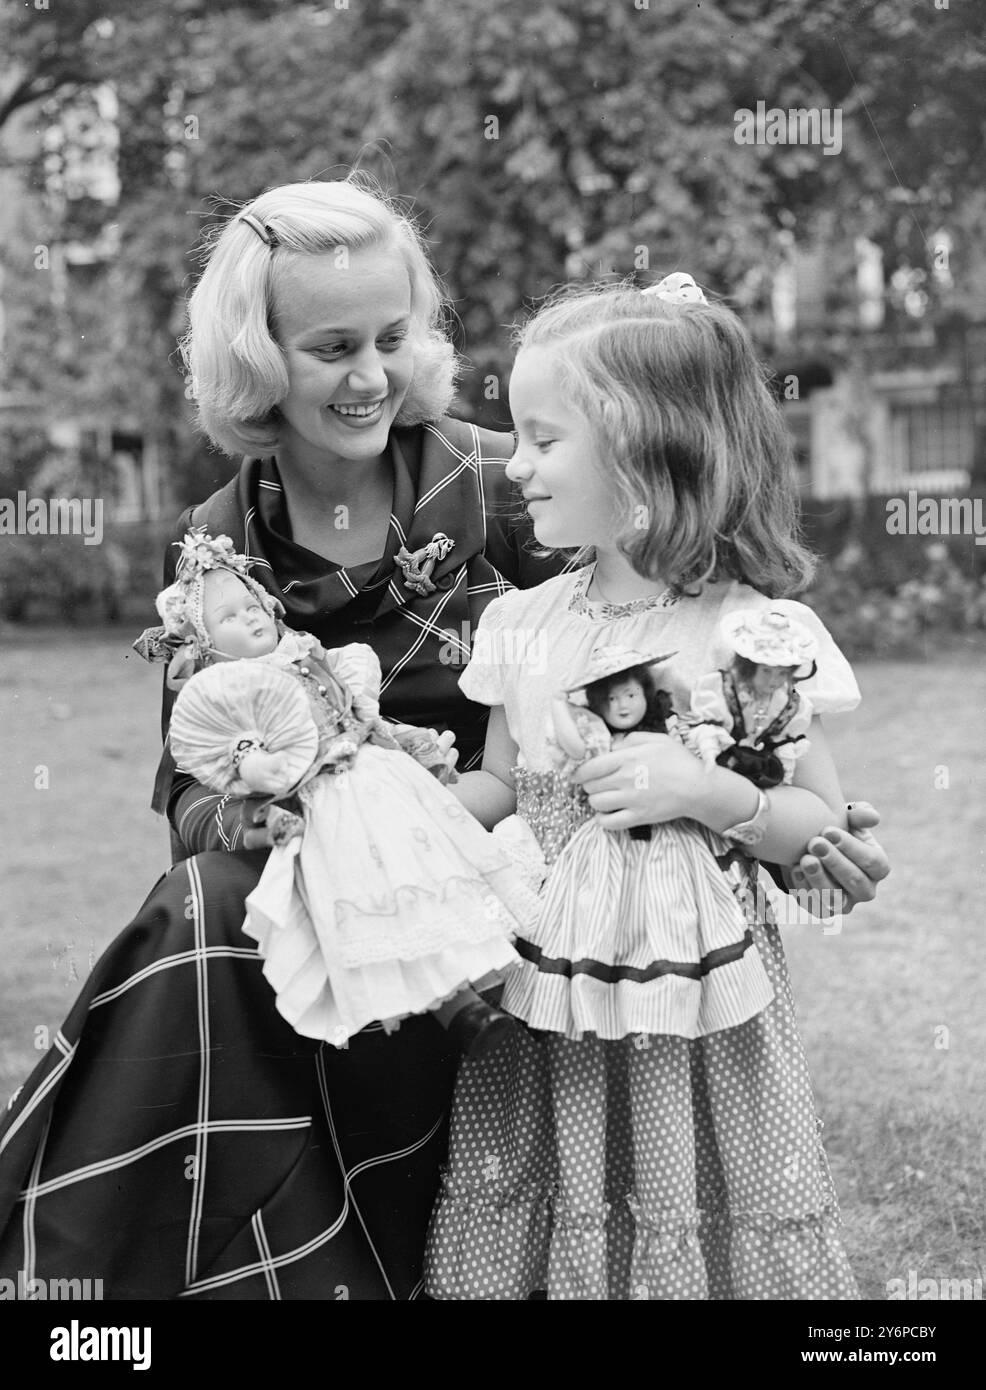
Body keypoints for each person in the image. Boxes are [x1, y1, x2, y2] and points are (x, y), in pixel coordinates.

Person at [0, 180, 888, 1300]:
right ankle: (71, 1284)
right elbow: (190, 796)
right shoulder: (216, 547)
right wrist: (284, 810)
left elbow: (686, 633)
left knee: (214, 920)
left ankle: (92, 1280)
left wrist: (779, 815)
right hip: (325, 911)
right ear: (258, 356)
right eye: (330, 346)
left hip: (505, 935)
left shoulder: (511, 484)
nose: (371, 374)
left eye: (389, 337)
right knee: (208, 904)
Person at [424, 274, 865, 1300]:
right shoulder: (522, 624)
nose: (516, 466)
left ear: (642, 449)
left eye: (542, 439)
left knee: (689, 1190)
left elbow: (813, 832)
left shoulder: (747, 635)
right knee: (558, 1170)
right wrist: (384, 805)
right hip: (551, 992)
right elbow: (499, 784)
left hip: (701, 1010)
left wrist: (705, 791)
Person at [140, 528, 530, 1053]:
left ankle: (493, 984)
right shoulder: (230, 694)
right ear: (204, 646)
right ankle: (453, 1012)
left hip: (377, 778)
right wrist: (262, 772)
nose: (251, 616)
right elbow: (233, 757)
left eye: (251, 602)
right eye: (227, 618)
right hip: (326, 800)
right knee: (376, 895)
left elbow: (365, 718)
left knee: (439, 873)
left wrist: (414, 750)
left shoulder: (312, 657)